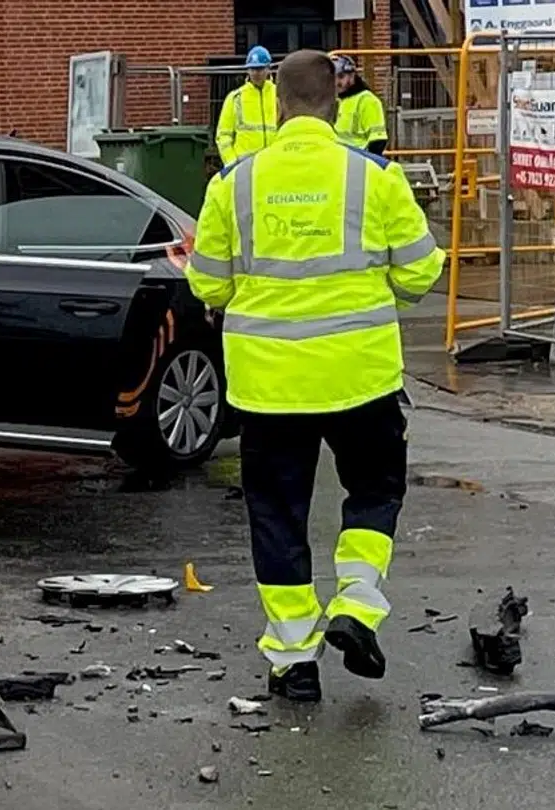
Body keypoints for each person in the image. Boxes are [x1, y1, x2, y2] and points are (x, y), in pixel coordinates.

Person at [182, 50, 444, 703]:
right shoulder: (377, 178)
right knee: (374, 492)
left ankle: (295, 663)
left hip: (269, 388)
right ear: (337, 102)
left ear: (277, 103)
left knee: (277, 516)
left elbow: (208, 282)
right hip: (362, 381)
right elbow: (419, 273)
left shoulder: (233, 184)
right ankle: (356, 605)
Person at [215, 46, 279, 165]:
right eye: (252, 69)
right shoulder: (235, 98)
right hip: (244, 166)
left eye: (260, 68)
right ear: (247, 70)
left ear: (268, 69)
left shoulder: (279, 96)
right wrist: (231, 163)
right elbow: (223, 135)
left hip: (274, 163)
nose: (256, 73)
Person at [334, 55, 389, 156]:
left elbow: (378, 141)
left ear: (352, 76)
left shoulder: (367, 100)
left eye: (341, 76)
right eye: (333, 77)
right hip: (340, 160)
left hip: (357, 161)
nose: (337, 82)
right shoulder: (337, 101)